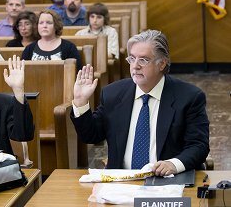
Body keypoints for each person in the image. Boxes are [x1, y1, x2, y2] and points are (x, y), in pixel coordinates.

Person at [70, 30, 209, 176]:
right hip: (122, 181)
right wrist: (81, 102)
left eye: (143, 60)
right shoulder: (113, 93)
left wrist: (173, 164)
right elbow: (91, 136)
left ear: (162, 64)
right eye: (132, 58)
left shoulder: (189, 97)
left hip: (168, 181)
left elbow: (198, 145)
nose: (135, 66)